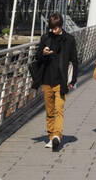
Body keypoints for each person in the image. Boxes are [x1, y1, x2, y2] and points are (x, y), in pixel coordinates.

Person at [30, 11, 78, 152]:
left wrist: (73, 80)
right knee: (50, 111)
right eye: (52, 28)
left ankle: (57, 136)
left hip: (61, 81)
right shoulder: (46, 38)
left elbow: (74, 61)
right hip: (46, 79)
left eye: (56, 28)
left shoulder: (69, 39)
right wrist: (43, 53)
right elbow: (37, 57)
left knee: (59, 110)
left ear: (61, 25)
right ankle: (51, 136)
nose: (54, 30)